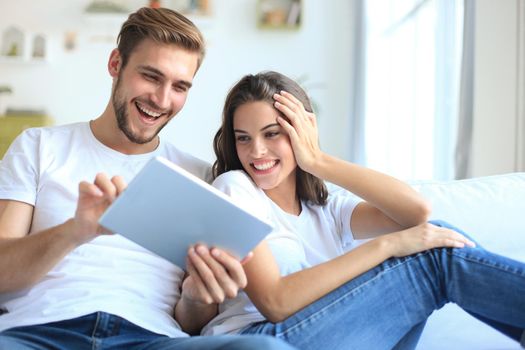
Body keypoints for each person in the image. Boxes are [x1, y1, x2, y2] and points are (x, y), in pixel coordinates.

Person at [0, 9, 295, 350]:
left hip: (150, 340)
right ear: (115, 64)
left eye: (179, 86)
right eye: (151, 77)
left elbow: (192, 320)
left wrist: (197, 297)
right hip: (38, 333)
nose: (162, 99)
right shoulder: (39, 146)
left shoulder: (200, 177)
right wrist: (74, 232)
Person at [182, 71, 525, 349]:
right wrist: (388, 245)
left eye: (273, 134)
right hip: (262, 339)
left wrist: (317, 160)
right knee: (436, 257)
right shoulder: (234, 189)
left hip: (322, 335)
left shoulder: (326, 209)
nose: (256, 151)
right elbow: (275, 302)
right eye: (243, 138)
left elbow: (417, 212)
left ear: (302, 134)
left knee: (438, 237)